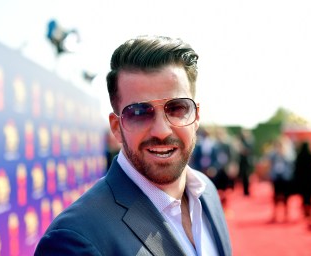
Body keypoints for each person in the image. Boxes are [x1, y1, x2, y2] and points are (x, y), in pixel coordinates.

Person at [34, 35, 232, 256]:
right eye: (138, 112)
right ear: (116, 127)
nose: (161, 131)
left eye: (176, 108)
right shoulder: (74, 238)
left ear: (195, 117)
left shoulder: (207, 192)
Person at [293, 141, 311, 218]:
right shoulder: (310, 155)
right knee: (309, 198)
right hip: (309, 180)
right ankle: (309, 212)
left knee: (304, 197)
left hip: (302, 181)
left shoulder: (299, 156)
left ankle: (305, 211)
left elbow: (296, 169)